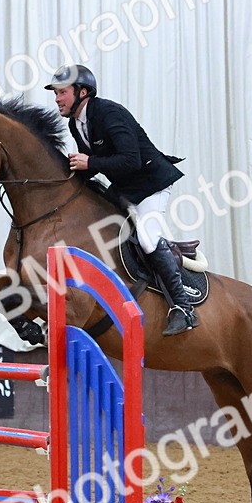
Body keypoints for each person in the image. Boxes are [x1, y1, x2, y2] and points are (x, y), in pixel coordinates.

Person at [45, 64, 197, 335]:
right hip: (125, 188)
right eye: (55, 93)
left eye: (62, 92)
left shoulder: (109, 112)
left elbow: (130, 159)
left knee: (148, 240)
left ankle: (183, 309)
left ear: (82, 92)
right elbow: (92, 165)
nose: (57, 99)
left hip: (151, 184)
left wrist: (90, 162)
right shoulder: (75, 123)